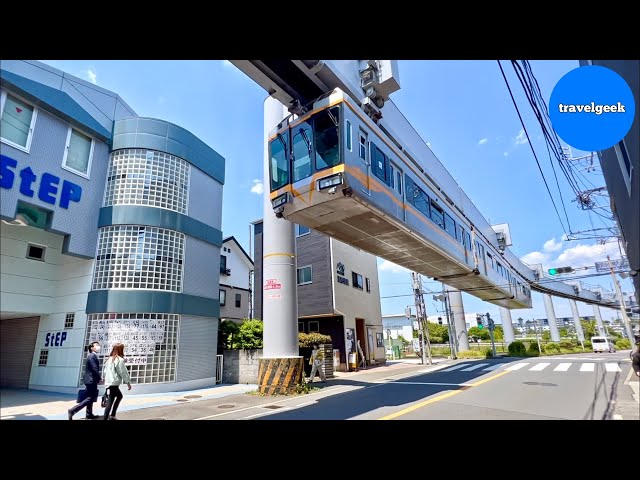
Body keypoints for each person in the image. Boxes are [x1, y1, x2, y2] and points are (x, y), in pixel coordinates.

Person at [68, 341, 102, 420]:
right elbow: (94, 369)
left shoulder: (93, 356)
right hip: (91, 380)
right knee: (90, 398)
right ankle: (73, 410)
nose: (98, 346)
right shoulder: (91, 356)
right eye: (96, 345)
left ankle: (89, 414)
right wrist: (99, 378)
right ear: (91, 348)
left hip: (90, 380)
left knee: (90, 397)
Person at [102, 343, 132, 420]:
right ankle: (109, 417)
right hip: (114, 383)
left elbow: (105, 371)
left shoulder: (109, 359)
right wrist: (128, 382)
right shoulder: (119, 360)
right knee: (110, 401)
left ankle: (112, 415)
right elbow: (123, 372)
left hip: (109, 382)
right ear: (120, 350)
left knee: (118, 396)